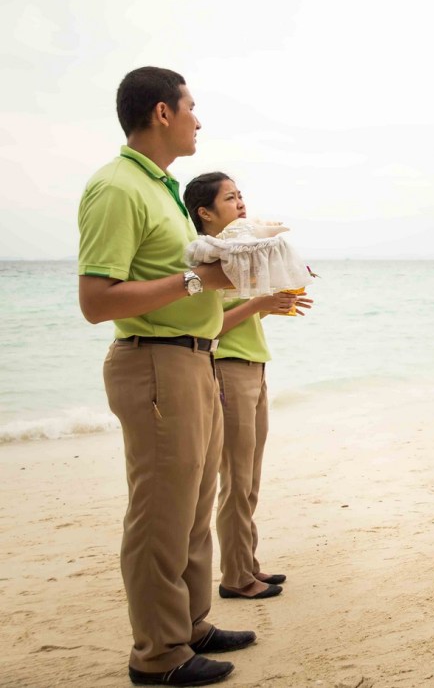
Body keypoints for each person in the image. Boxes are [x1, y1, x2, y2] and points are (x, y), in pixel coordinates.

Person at [77, 67, 254, 686]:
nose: (198, 119)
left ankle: (192, 625)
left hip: (194, 357)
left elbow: (189, 278)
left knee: (196, 501)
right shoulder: (118, 188)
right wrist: (197, 281)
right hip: (154, 362)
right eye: (191, 107)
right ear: (161, 113)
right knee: (160, 511)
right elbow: (98, 301)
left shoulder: (163, 189)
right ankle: (157, 654)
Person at [183, 173, 312, 601]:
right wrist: (258, 303)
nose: (240, 204)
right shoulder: (206, 262)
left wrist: (274, 305)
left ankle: (247, 564)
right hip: (227, 369)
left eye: (241, 196)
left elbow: (240, 313)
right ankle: (236, 577)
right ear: (204, 212)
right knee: (235, 478)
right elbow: (210, 325)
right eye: (230, 198)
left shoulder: (237, 255)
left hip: (253, 366)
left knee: (249, 476)